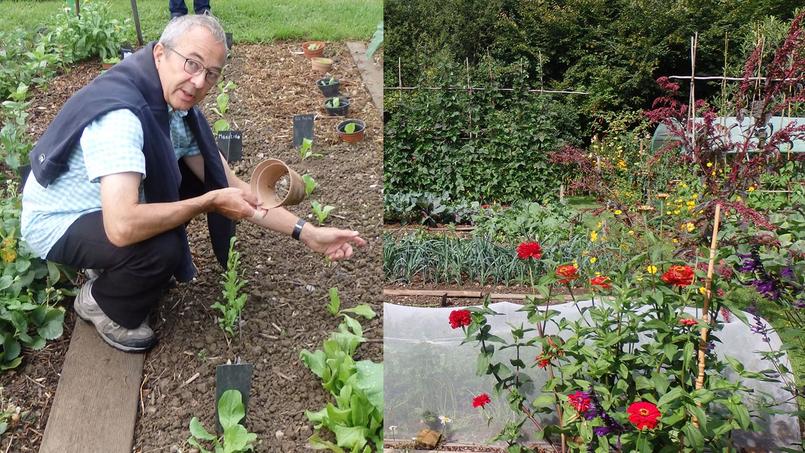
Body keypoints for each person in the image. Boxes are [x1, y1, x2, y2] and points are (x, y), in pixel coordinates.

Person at [21, 14, 366, 353]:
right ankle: (99, 303)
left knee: (191, 183)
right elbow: (123, 227)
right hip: (58, 220)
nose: (200, 82)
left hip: (101, 205)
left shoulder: (175, 111)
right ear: (160, 54)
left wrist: (309, 234)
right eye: (191, 64)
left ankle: (108, 263)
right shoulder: (122, 118)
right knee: (162, 249)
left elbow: (232, 187)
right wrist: (207, 203)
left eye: (211, 74)